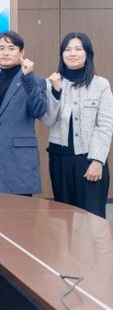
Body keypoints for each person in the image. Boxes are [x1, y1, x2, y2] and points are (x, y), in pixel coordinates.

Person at [43, 32, 113, 218]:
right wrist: (56, 92)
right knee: (62, 219)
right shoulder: (51, 83)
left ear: (87, 54)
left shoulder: (101, 85)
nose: (72, 53)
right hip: (60, 160)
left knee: (91, 219)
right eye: (67, 49)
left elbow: (105, 126)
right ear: (62, 54)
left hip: (89, 159)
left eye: (77, 49)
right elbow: (47, 120)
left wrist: (97, 161)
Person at [0, 31, 47, 196]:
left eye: (11, 48)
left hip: (20, 160)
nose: (6, 53)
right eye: (1, 48)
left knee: (20, 210)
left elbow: (38, 111)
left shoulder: (35, 80)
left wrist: (28, 77)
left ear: (22, 52)